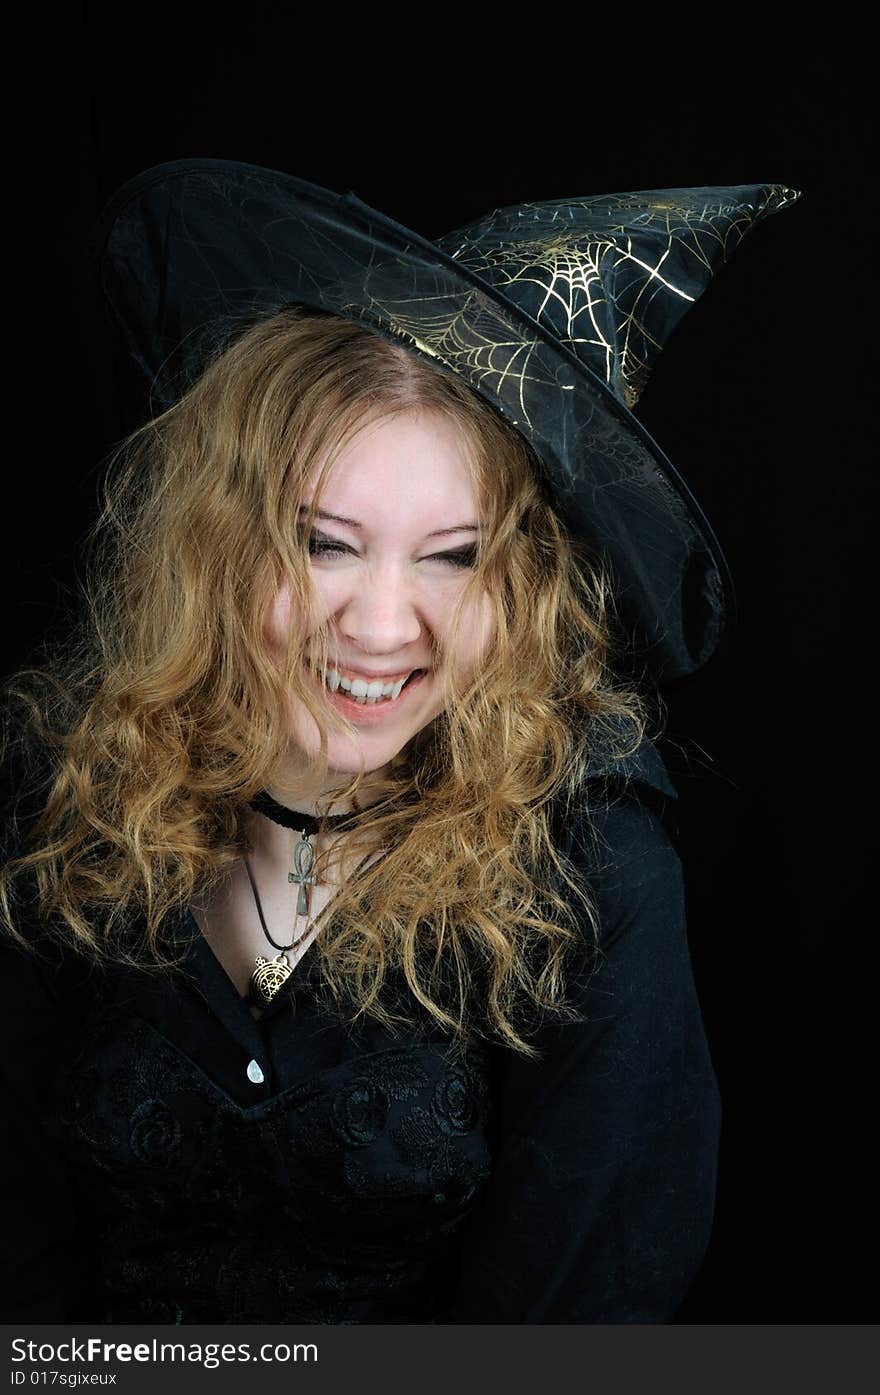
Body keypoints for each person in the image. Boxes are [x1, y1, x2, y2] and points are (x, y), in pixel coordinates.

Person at [0, 162, 800, 1324]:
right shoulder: (56, 802)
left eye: (452, 554)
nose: (381, 626)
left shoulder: (593, 879)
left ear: (517, 584)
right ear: (217, 546)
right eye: (324, 544)